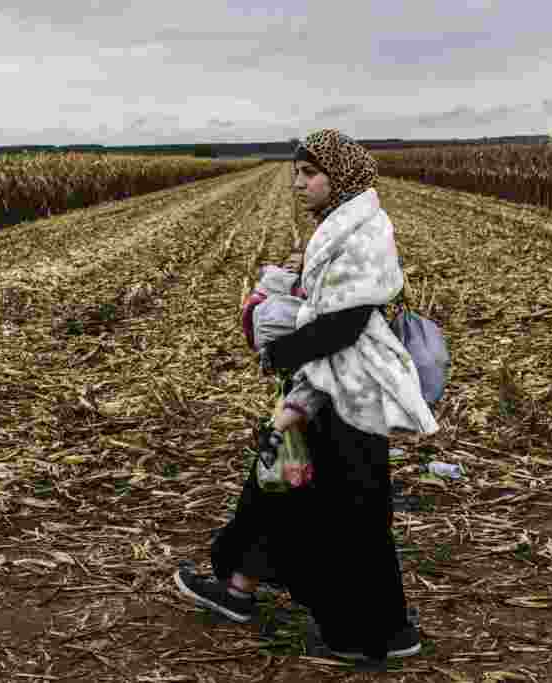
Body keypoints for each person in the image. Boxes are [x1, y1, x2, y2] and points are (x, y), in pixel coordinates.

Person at [173, 129, 439, 661]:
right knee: (276, 474)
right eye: (297, 172)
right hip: (323, 382)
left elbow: (344, 322)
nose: (298, 183)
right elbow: (330, 305)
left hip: (349, 391)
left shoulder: (366, 235)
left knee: (352, 510)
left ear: (338, 178)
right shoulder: (338, 227)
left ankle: (374, 634)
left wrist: (280, 350)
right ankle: (237, 589)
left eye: (309, 173)